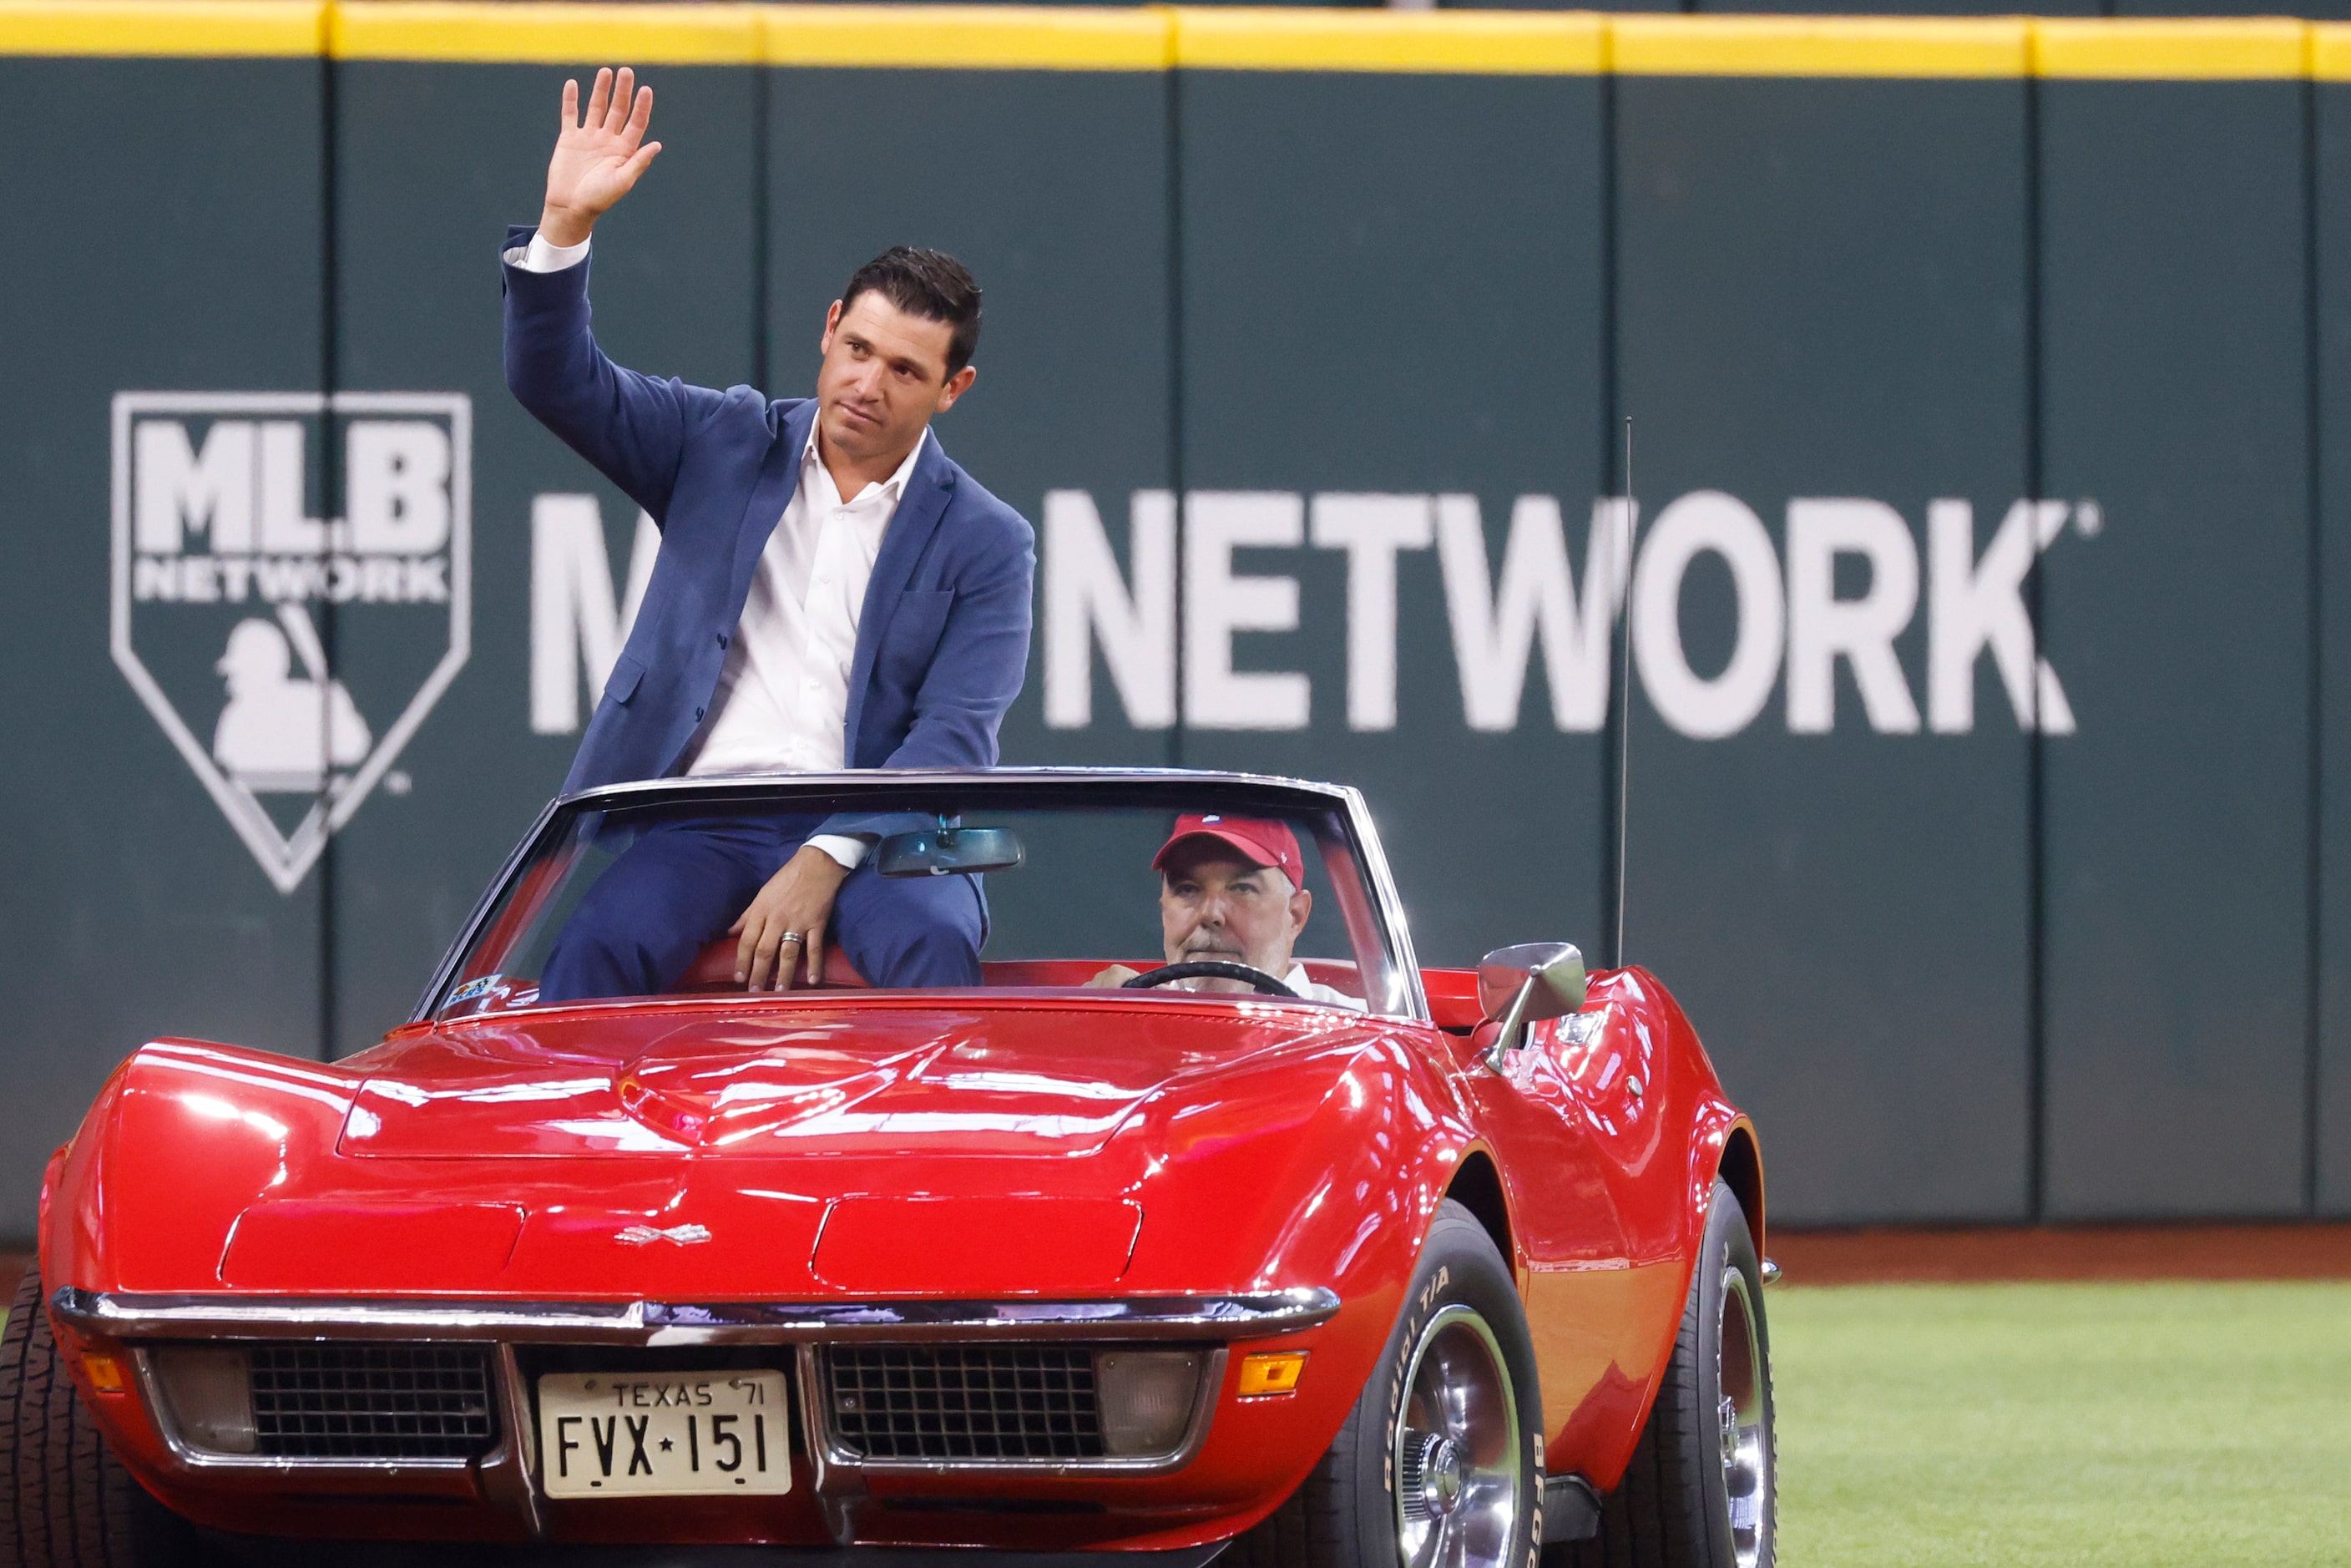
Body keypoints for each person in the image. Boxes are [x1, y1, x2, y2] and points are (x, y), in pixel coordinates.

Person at [502, 67, 1034, 1002]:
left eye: (905, 370)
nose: (867, 384)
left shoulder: (990, 541)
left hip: (879, 832)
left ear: (953, 389)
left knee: (931, 949)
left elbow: (952, 737)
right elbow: (556, 384)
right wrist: (565, 229)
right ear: (829, 331)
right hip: (701, 817)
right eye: (857, 350)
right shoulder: (720, 440)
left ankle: (914, 1156)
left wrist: (827, 855)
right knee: (592, 959)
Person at [1088, 815, 1367, 1008]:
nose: (1211, 914)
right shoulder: (1123, 1019)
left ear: (1295, 916)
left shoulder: (1365, 1035)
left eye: (1242, 889)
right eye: (1187, 889)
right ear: (1164, 910)